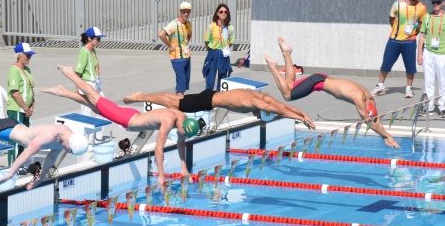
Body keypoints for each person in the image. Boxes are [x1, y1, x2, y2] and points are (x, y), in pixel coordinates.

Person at [43, 65, 196, 189]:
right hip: (126, 118)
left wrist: (184, 168)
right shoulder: (169, 121)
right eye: (182, 132)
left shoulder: (182, 118)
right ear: (183, 126)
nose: (181, 134)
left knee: (98, 107)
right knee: (95, 97)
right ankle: (70, 73)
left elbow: (181, 142)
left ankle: (62, 91)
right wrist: (161, 176)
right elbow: (158, 149)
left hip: (133, 115)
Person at [264, 37, 400, 148]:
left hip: (321, 79)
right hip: (317, 82)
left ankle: (287, 53)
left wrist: (384, 135)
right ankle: (272, 66)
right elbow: (369, 121)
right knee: (287, 95)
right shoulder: (361, 98)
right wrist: (387, 136)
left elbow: (375, 120)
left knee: (290, 85)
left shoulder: (369, 98)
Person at [122, 88, 316, 130]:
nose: (257, 116)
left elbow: (282, 107)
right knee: (173, 102)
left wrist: (302, 113)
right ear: (264, 111)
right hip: (209, 101)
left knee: (176, 99)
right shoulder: (261, 103)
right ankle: (141, 96)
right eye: (261, 116)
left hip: (212, 95)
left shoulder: (264, 97)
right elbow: (281, 111)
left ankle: (142, 96)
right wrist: (298, 118)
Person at [372, 0, 427, 98]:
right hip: (394, 41)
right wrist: (397, 31)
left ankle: (408, 89)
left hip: (410, 42)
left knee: (410, 67)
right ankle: (380, 86)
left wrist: (413, 33)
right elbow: (391, 18)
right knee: (386, 64)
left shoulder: (422, 7)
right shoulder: (398, 3)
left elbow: (421, 23)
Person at [7, 42, 36, 166]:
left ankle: (20, 163)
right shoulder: (14, 70)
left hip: (26, 109)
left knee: (24, 138)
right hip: (17, 109)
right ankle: (12, 165)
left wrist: (32, 104)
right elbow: (15, 92)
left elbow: (30, 88)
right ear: (19, 56)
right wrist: (25, 107)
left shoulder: (27, 69)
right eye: (27, 55)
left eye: (30, 56)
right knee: (16, 138)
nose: (29, 58)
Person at [417, 0, 445, 116]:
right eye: (433, 2)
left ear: (443, 3)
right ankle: (428, 106)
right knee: (429, 81)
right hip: (428, 52)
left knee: (443, 81)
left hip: (442, 54)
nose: (435, 4)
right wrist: (419, 54)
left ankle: (443, 106)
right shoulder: (427, 17)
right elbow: (422, 36)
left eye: (438, 2)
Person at [158, 2, 193, 94]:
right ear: (180, 12)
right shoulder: (174, 24)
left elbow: (188, 37)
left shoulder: (188, 24)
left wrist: (185, 47)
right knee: (181, 85)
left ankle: (179, 102)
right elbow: (161, 34)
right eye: (184, 11)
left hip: (186, 56)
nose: (186, 14)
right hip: (177, 58)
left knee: (183, 84)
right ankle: (179, 105)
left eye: (188, 11)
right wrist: (170, 45)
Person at [202, 4, 235, 91]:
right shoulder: (211, 26)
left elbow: (231, 42)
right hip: (213, 52)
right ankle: (208, 98)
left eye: (225, 12)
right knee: (210, 78)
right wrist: (211, 51)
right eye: (221, 11)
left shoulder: (230, 28)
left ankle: (219, 98)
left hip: (224, 53)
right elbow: (206, 40)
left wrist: (224, 49)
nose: (223, 13)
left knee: (223, 78)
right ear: (217, 13)